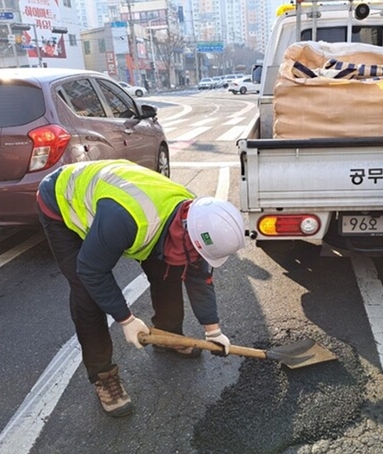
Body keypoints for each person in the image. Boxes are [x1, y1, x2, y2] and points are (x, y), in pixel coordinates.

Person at [36, 159, 246, 417]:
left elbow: (198, 276)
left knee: (169, 268)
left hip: (122, 202)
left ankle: (168, 337)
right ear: (185, 233)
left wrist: (213, 330)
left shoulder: (197, 218)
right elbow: (91, 270)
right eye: (196, 252)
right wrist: (126, 320)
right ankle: (103, 375)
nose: (198, 259)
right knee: (87, 293)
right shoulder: (126, 220)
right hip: (62, 202)